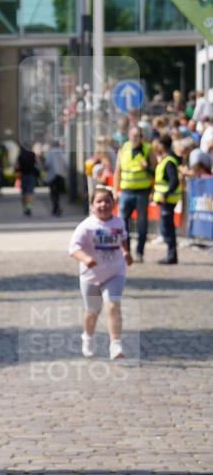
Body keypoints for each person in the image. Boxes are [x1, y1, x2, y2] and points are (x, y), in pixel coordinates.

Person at [68, 185, 132, 360]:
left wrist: (126, 252)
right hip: (91, 276)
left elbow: (123, 238)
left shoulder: (119, 223)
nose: (103, 205)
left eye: (107, 201)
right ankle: (87, 337)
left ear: (113, 204)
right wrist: (86, 259)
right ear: (92, 206)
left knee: (113, 305)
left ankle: (115, 344)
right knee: (92, 311)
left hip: (115, 272)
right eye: (99, 202)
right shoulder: (86, 226)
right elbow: (73, 249)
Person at [113, 124, 156, 263]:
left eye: (138, 136)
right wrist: (115, 190)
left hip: (142, 192)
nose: (135, 139)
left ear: (142, 137)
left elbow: (155, 171)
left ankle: (139, 252)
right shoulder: (123, 149)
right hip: (126, 192)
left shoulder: (148, 149)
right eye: (133, 136)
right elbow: (117, 171)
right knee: (123, 223)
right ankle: (126, 251)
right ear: (129, 136)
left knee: (142, 223)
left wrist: (152, 190)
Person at [153, 133, 182, 266]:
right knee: (166, 228)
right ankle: (171, 254)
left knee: (167, 229)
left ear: (162, 145)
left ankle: (171, 255)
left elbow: (174, 181)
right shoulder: (166, 160)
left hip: (168, 200)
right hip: (166, 200)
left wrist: (165, 195)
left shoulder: (169, 161)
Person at [43, 141, 67, 216]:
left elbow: (47, 164)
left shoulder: (50, 154)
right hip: (61, 176)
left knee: (53, 192)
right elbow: (66, 164)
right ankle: (57, 206)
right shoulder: (62, 153)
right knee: (59, 193)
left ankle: (55, 207)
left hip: (52, 176)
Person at [16, 144, 38, 216]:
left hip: (23, 175)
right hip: (31, 175)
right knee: (30, 192)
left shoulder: (20, 155)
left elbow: (17, 166)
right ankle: (29, 207)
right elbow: (36, 164)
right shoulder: (32, 154)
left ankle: (25, 208)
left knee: (24, 193)